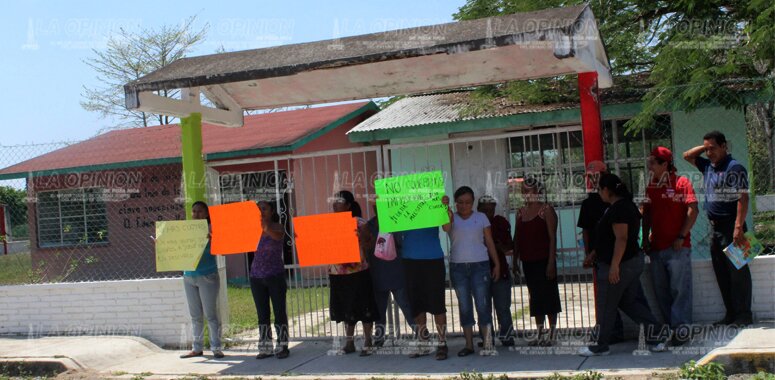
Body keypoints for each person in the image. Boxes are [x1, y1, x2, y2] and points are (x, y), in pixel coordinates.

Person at [578, 174, 668, 356]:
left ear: (606, 190)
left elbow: (622, 238)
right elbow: (609, 238)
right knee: (629, 302)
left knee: (606, 305)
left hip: (621, 264)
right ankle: (658, 334)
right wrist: (594, 253)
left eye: (599, 189)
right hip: (629, 262)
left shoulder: (619, 209)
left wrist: (614, 266)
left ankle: (599, 345)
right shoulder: (623, 206)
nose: (598, 192)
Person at [683, 131, 752, 326]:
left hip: (733, 226)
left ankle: (744, 315)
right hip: (715, 229)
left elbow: (743, 198)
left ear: (724, 146)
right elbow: (687, 155)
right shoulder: (708, 167)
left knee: (739, 273)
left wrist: (738, 227)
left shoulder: (734, 167)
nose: (709, 153)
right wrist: (704, 148)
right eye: (707, 149)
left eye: (713, 148)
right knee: (721, 273)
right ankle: (730, 314)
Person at [643, 147, 699, 345]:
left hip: (678, 248)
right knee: (662, 293)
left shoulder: (682, 183)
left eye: (653, 162)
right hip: (657, 248)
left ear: (664, 164)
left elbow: (693, 210)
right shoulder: (651, 187)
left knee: (679, 290)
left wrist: (681, 236)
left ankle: (681, 332)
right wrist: (644, 239)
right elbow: (647, 214)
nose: (649, 166)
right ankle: (672, 331)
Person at [444, 186, 501, 356]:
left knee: (483, 305)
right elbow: (446, 228)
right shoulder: (451, 216)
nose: (464, 206)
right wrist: (445, 208)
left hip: (480, 266)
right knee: (465, 307)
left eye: (467, 202)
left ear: (473, 202)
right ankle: (469, 344)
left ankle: (488, 343)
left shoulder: (481, 217)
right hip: (458, 268)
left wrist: (496, 264)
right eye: (460, 202)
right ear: (456, 203)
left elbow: (489, 242)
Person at [328, 190, 378, 356]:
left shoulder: (358, 222)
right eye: (334, 201)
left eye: (339, 201)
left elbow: (370, 244)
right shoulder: (329, 224)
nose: (335, 204)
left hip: (358, 271)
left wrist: (361, 238)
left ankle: (368, 341)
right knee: (346, 307)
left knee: (363, 306)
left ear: (348, 205)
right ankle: (349, 342)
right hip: (337, 273)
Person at [514, 177, 561, 346]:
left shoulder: (546, 210)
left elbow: (552, 237)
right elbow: (517, 238)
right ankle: (540, 333)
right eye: (524, 191)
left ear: (538, 192)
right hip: (528, 261)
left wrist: (550, 262)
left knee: (549, 296)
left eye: (529, 191)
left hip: (544, 261)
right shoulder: (520, 212)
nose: (527, 195)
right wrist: (514, 261)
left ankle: (553, 334)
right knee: (535, 298)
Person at [364, 204, 414, 347]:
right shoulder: (369, 226)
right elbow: (366, 246)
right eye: (376, 206)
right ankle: (379, 339)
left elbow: (401, 243)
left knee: (406, 306)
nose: (378, 208)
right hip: (378, 273)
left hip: (396, 272)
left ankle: (420, 333)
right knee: (379, 310)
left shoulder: (396, 222)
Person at [180, 201, 224, 359]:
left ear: (206, 214)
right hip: (189, 276)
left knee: (210, 314)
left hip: (207, 276)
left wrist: (213, 239)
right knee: (195, 315)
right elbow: (177, 247)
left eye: (199, 211)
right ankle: (197, 348)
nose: (196, 214)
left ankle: (216, 348)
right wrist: (162, 245)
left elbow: (223, 250)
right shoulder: (186, 230)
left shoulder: (212, 229)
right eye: (193, 211)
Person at [402, 223, 449, 360]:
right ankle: (423, 342)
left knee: (437, 303)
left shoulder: (434, 202)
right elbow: (389, 226)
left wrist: (445, 208)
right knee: (416, 303)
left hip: (433, 258)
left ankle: (442, 343)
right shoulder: (401, 202)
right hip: (409, 258)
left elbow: (447, 227)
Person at [250, 200, 290, 359]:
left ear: (272, 211)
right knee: (262, 314)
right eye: (258, 209)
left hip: (275, 276)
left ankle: (282, 346)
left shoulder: (278, 227)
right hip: (256, 277)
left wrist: (264, 227)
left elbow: (277, 235)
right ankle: (265, 347)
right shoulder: (251, 230)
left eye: (264, 209)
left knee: (279, 312)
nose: (261, 211)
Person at [477, 195, 515, 347]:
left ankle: (506, 336)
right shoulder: (474, 223)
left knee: (503, 307)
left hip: (501, 270)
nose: (488, 214)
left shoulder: (500, 223)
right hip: (479, 271)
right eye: (485, 211)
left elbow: (509, 247)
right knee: (483, 308)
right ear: (478, 210)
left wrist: (498, 246)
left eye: (491, 210)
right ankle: (487, 338)